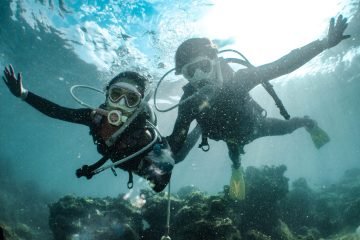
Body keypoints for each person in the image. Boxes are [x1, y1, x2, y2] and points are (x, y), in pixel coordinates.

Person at [166, 14, 350, 199]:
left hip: (257, 126)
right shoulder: (189, 102)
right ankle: (235, 166)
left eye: (204, 67)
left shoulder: (240, 81)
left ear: (215, 62)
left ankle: (307, 123)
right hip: (229, 138)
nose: (200, 77)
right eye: (190, 72)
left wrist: (324, 43)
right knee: (234, 158)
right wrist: (158, 157)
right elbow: (177, 140)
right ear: (185, 76)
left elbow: (282, 65)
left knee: (288, 127)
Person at [2, 67, 200, 192]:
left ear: (138, 106)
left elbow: (161, 183)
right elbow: (57, 112)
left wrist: (156, 165)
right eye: (116, 95)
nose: (121, 104)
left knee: (178, 155)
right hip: (120, 160)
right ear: (107, 96)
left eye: (130, 99)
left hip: (142, 159)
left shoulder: (144, 134)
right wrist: (23, 94)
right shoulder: (94, 118)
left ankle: (201, 128)